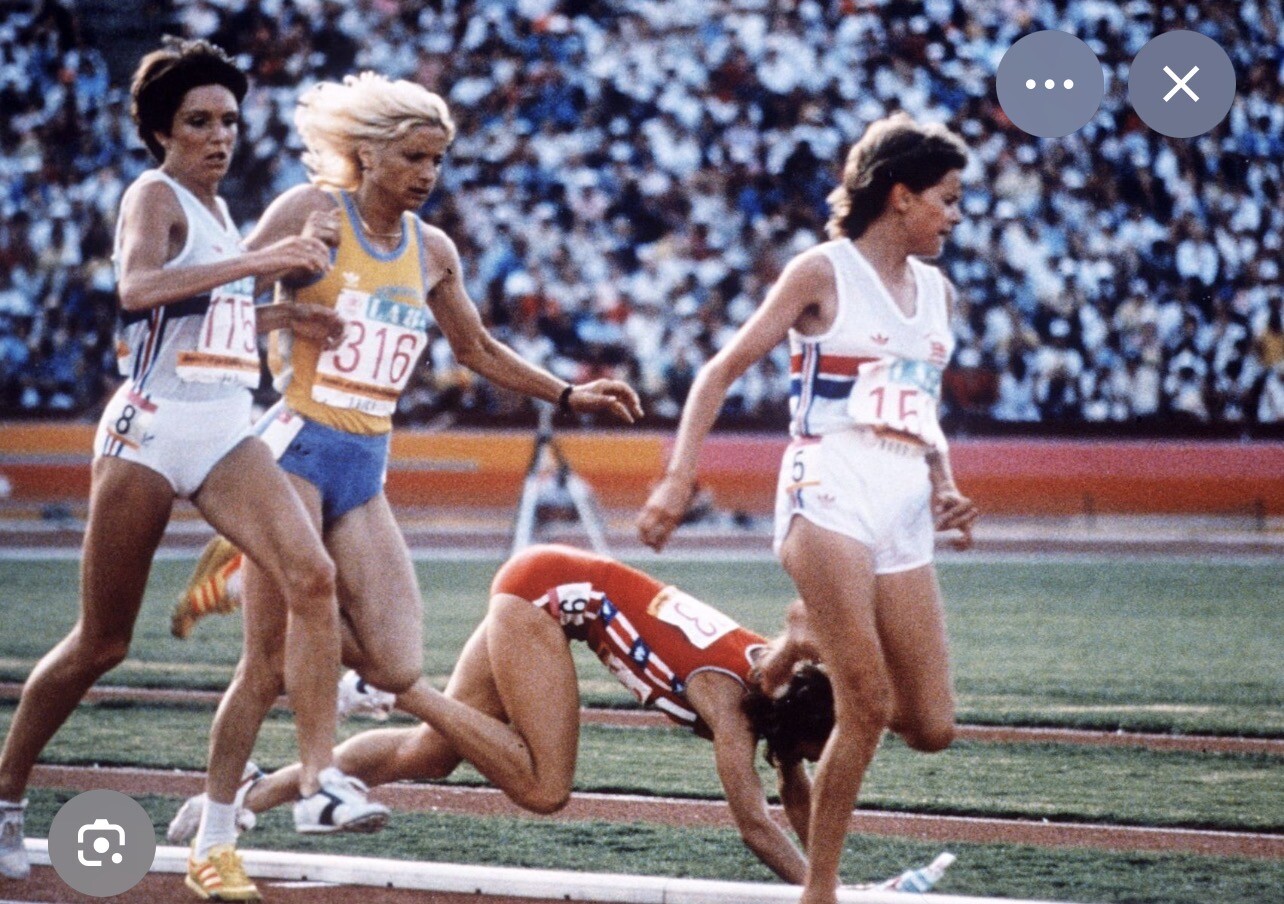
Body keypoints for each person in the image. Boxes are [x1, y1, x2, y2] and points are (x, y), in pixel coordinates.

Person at [192, 71, 642, 895]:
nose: (427, 174)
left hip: (364, 466)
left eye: (437, 159)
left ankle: (267, 702)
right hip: (292, 449)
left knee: (398, 664)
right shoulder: (309, 212)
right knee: (267, 663)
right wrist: (288, 306)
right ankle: (237, 821)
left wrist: (569, 394)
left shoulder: (432, 250)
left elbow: (477, 349)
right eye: (413, 157)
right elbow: (210, 308)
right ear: (366, 154)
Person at [0, 38, 370, 898]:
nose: (219, 135)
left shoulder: (219, 209)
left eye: (229, 120)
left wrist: (284, 319)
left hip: (224, 431)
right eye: (199, 121)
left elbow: (208, 317)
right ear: (163, 131)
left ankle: (280, 800)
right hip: (150, 434)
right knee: (103, 642)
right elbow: (138, 290)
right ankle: (7, 794)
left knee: (311, 576)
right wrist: (266, 262)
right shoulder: (154, 194)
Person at [636, 112, 979, 904]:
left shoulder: (939, 293)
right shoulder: (823, 272)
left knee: (931, 725)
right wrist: (679, 478)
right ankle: (819, 891)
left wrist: (943, 481)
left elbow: (919, 407)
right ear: (900, 196)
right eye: (948, 199)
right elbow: (719, 372)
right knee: (867, 703)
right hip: (829, 485)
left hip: (903, 498)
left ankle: (796, 643)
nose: (955, 217)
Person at [168, 543, 833, 884]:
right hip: (544, 597)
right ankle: (388, 678)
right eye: (820, 747)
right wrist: (824, 893)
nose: (819, 760)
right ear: (797, 728)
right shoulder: (732, 707)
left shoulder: (778, 697)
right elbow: (756, 826)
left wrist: (835, 876)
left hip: (548, 582)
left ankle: (252, 792)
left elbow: (795, 791)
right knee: (545, 788)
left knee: (429, 754)